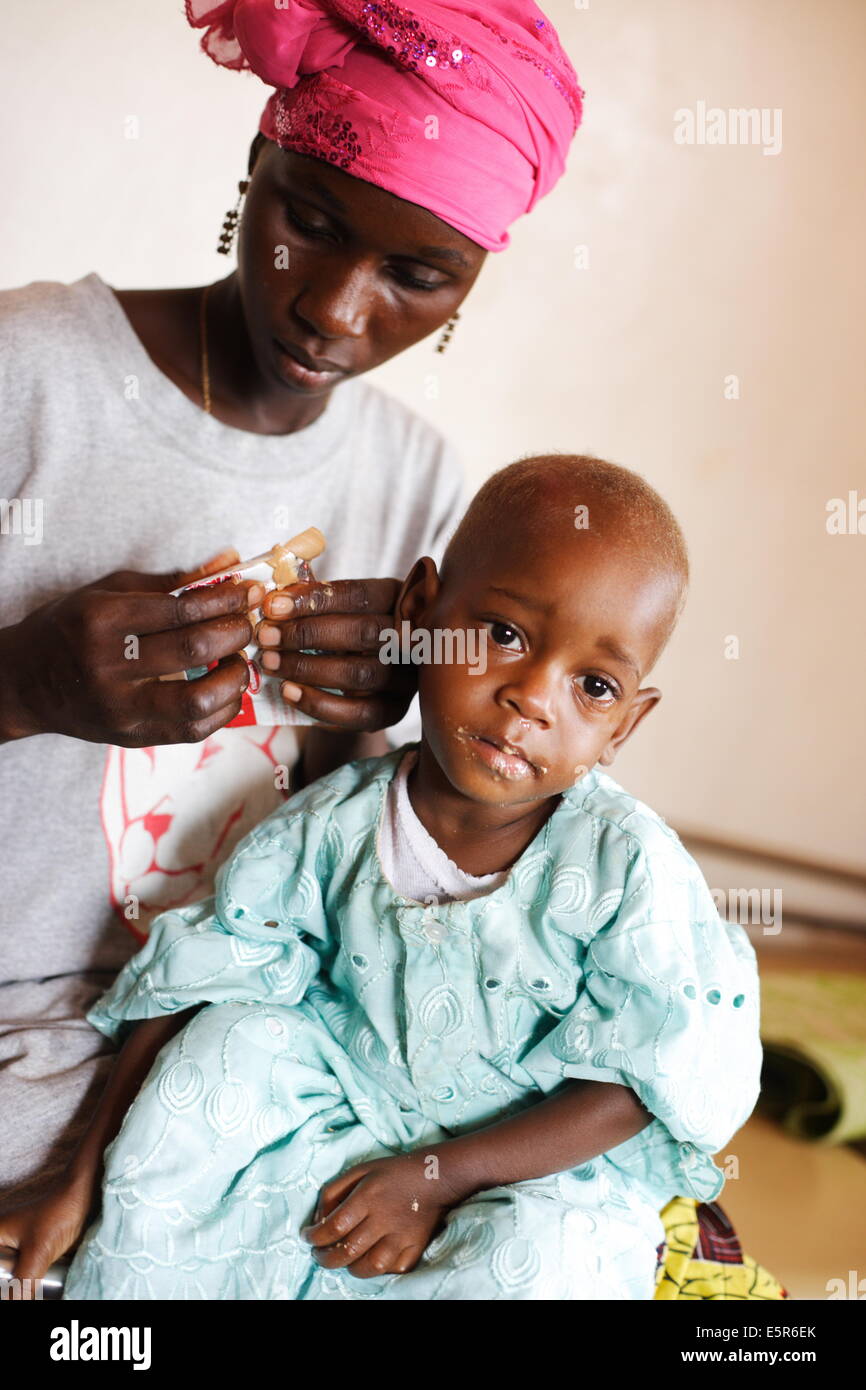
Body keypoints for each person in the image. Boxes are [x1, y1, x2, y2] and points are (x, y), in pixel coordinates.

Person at [0, 1, 584, 1206]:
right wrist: (21, 683)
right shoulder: (34, 371)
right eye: (307, 224)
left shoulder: (418, 482)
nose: (333, 308)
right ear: (255, 163)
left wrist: (398, 727)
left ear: (469, 282)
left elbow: (365, 868)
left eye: (415, 276)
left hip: (219, 1027)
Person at [1, 455, 762, 1300]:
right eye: (504, 635)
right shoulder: (332, 824)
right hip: (349, 1114)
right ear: (420, 612)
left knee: (551, 1258)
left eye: (593, 685)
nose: (533, 698)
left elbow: (640, 1077)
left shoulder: (627, 867)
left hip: (533, 1171)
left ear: (624, 726)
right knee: (229, 1042)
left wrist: (440, 1177)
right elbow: (200, 976)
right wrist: (80, 1187)